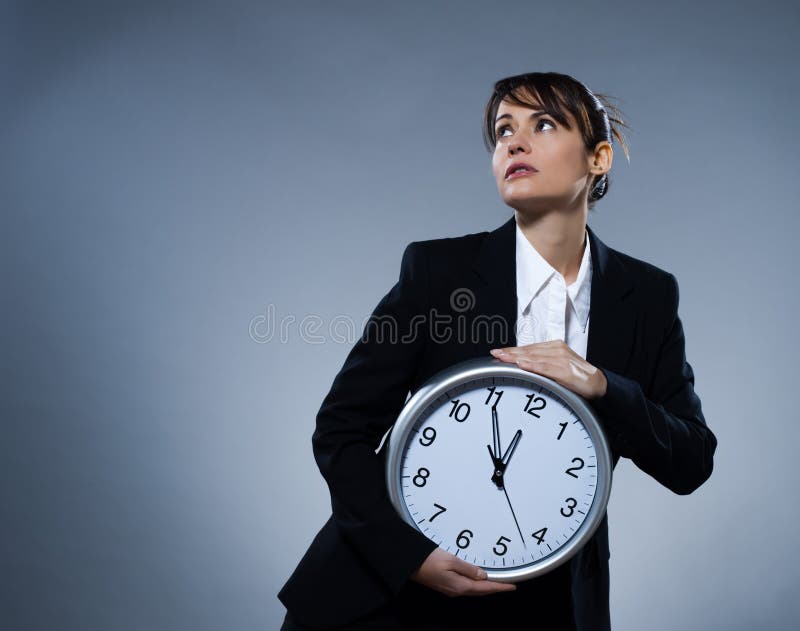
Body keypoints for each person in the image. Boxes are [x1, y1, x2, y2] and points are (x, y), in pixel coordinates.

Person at [277, 71, 717, 630]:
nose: (514, 141)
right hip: (387, 597)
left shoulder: (647, 297)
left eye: (544, 124)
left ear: (598, 158)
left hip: (547, 602)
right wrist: (408, 556)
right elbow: (341, 428)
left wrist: (603, 384)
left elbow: (691, 461)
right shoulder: (438, 274)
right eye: (503, 129)